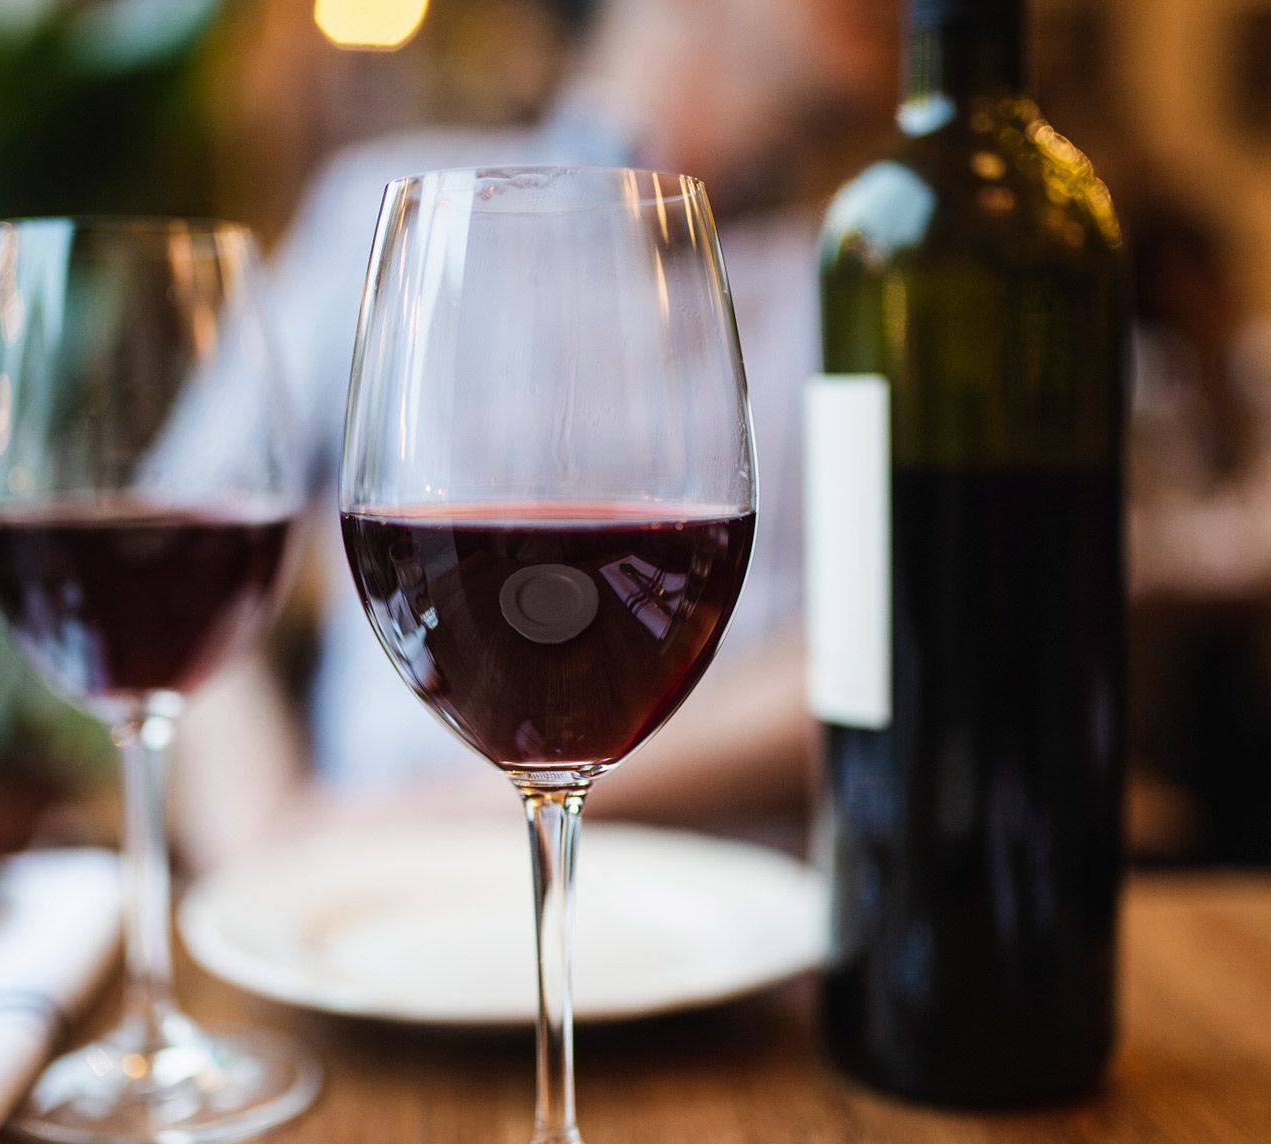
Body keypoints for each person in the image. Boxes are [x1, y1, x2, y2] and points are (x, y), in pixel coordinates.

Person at [175, 0, 897, 864]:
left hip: (731, 918)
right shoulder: (390, 211)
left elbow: (907, 637)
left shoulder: (869, 273)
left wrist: (452, 815)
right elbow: (183, 541)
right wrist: (267, 844)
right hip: (374, 910)